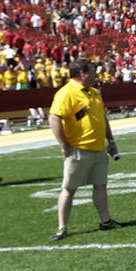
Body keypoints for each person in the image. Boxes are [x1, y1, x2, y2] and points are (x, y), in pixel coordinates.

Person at [48, 57, 121, 240]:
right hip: (78, 150)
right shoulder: (67, 93)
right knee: (69, 188)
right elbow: (54, 118)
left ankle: (105, 220)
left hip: (98, 149)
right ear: (83, 73)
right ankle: (62, 227)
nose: (96, 73)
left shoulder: (94, 92)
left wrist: (110, 140)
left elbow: (102, 118)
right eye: (92, 70)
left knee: (100, 186)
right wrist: (64, 146)